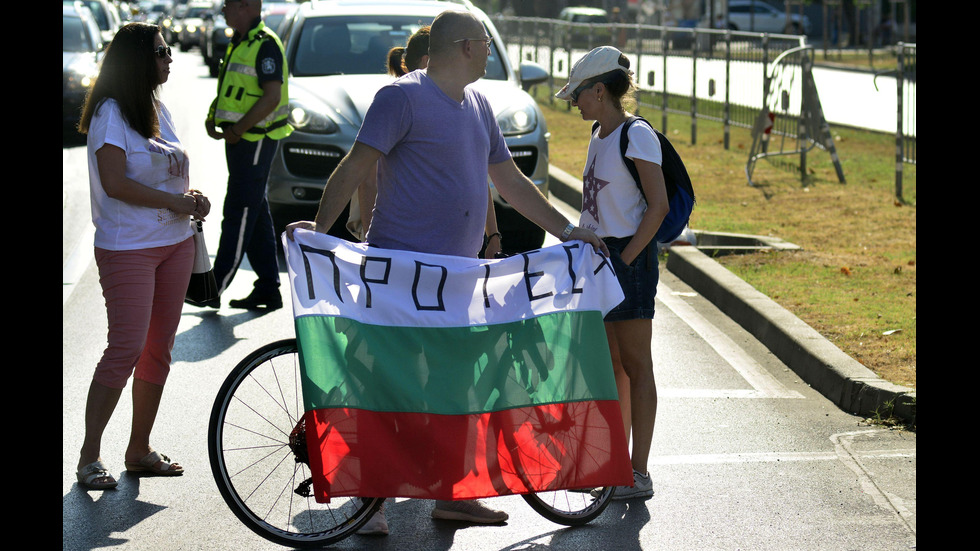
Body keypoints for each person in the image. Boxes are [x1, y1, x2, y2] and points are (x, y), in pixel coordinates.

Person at [288, 9, 608, 532]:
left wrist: (565, 230)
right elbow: (355, 165)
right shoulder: (402, 98)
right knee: (388, 387)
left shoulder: (479, 105)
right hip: (400, 276)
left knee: (455, 386)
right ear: (464, 46)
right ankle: (372, 500)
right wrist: (323, 232)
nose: (489, 51)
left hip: (454, 280)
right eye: (485, 43)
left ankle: (452, 494)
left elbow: (510, 181)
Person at [75, 22, 211, 490]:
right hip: (127, 246)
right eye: (161, 51)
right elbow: (114, 183)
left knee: (159, 349)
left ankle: (139, 449)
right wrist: (174, 203)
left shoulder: (157, 107)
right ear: (138, 59)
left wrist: (190, 197)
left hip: (174, 243)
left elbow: (164, 172)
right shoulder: (111, 112)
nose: (170, 58)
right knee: (126, 348)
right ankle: (89, 456)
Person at [555, 46, 667, 500]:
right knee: (613, 366)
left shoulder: (635, 134)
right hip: (601, 258)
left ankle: (638, 472)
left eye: (578, 95)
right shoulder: (598, 134)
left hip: (628, 259)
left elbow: (656, 207)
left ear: (599, 90)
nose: (575, 103)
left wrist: (625, 259)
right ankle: (616, 466)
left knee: (638, 365)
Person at [201, 0, 292, 310]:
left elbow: (271, 97)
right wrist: (215, 118)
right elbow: (233, 90)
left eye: (228, 5)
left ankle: (214, 286)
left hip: (255, 140)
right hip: (241, 140)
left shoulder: (265, 44)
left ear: (247, 6)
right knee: (255, 210)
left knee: (239, 210)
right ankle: (268, 286)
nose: (224, 10)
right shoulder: (240, 40)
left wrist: (238, 129)